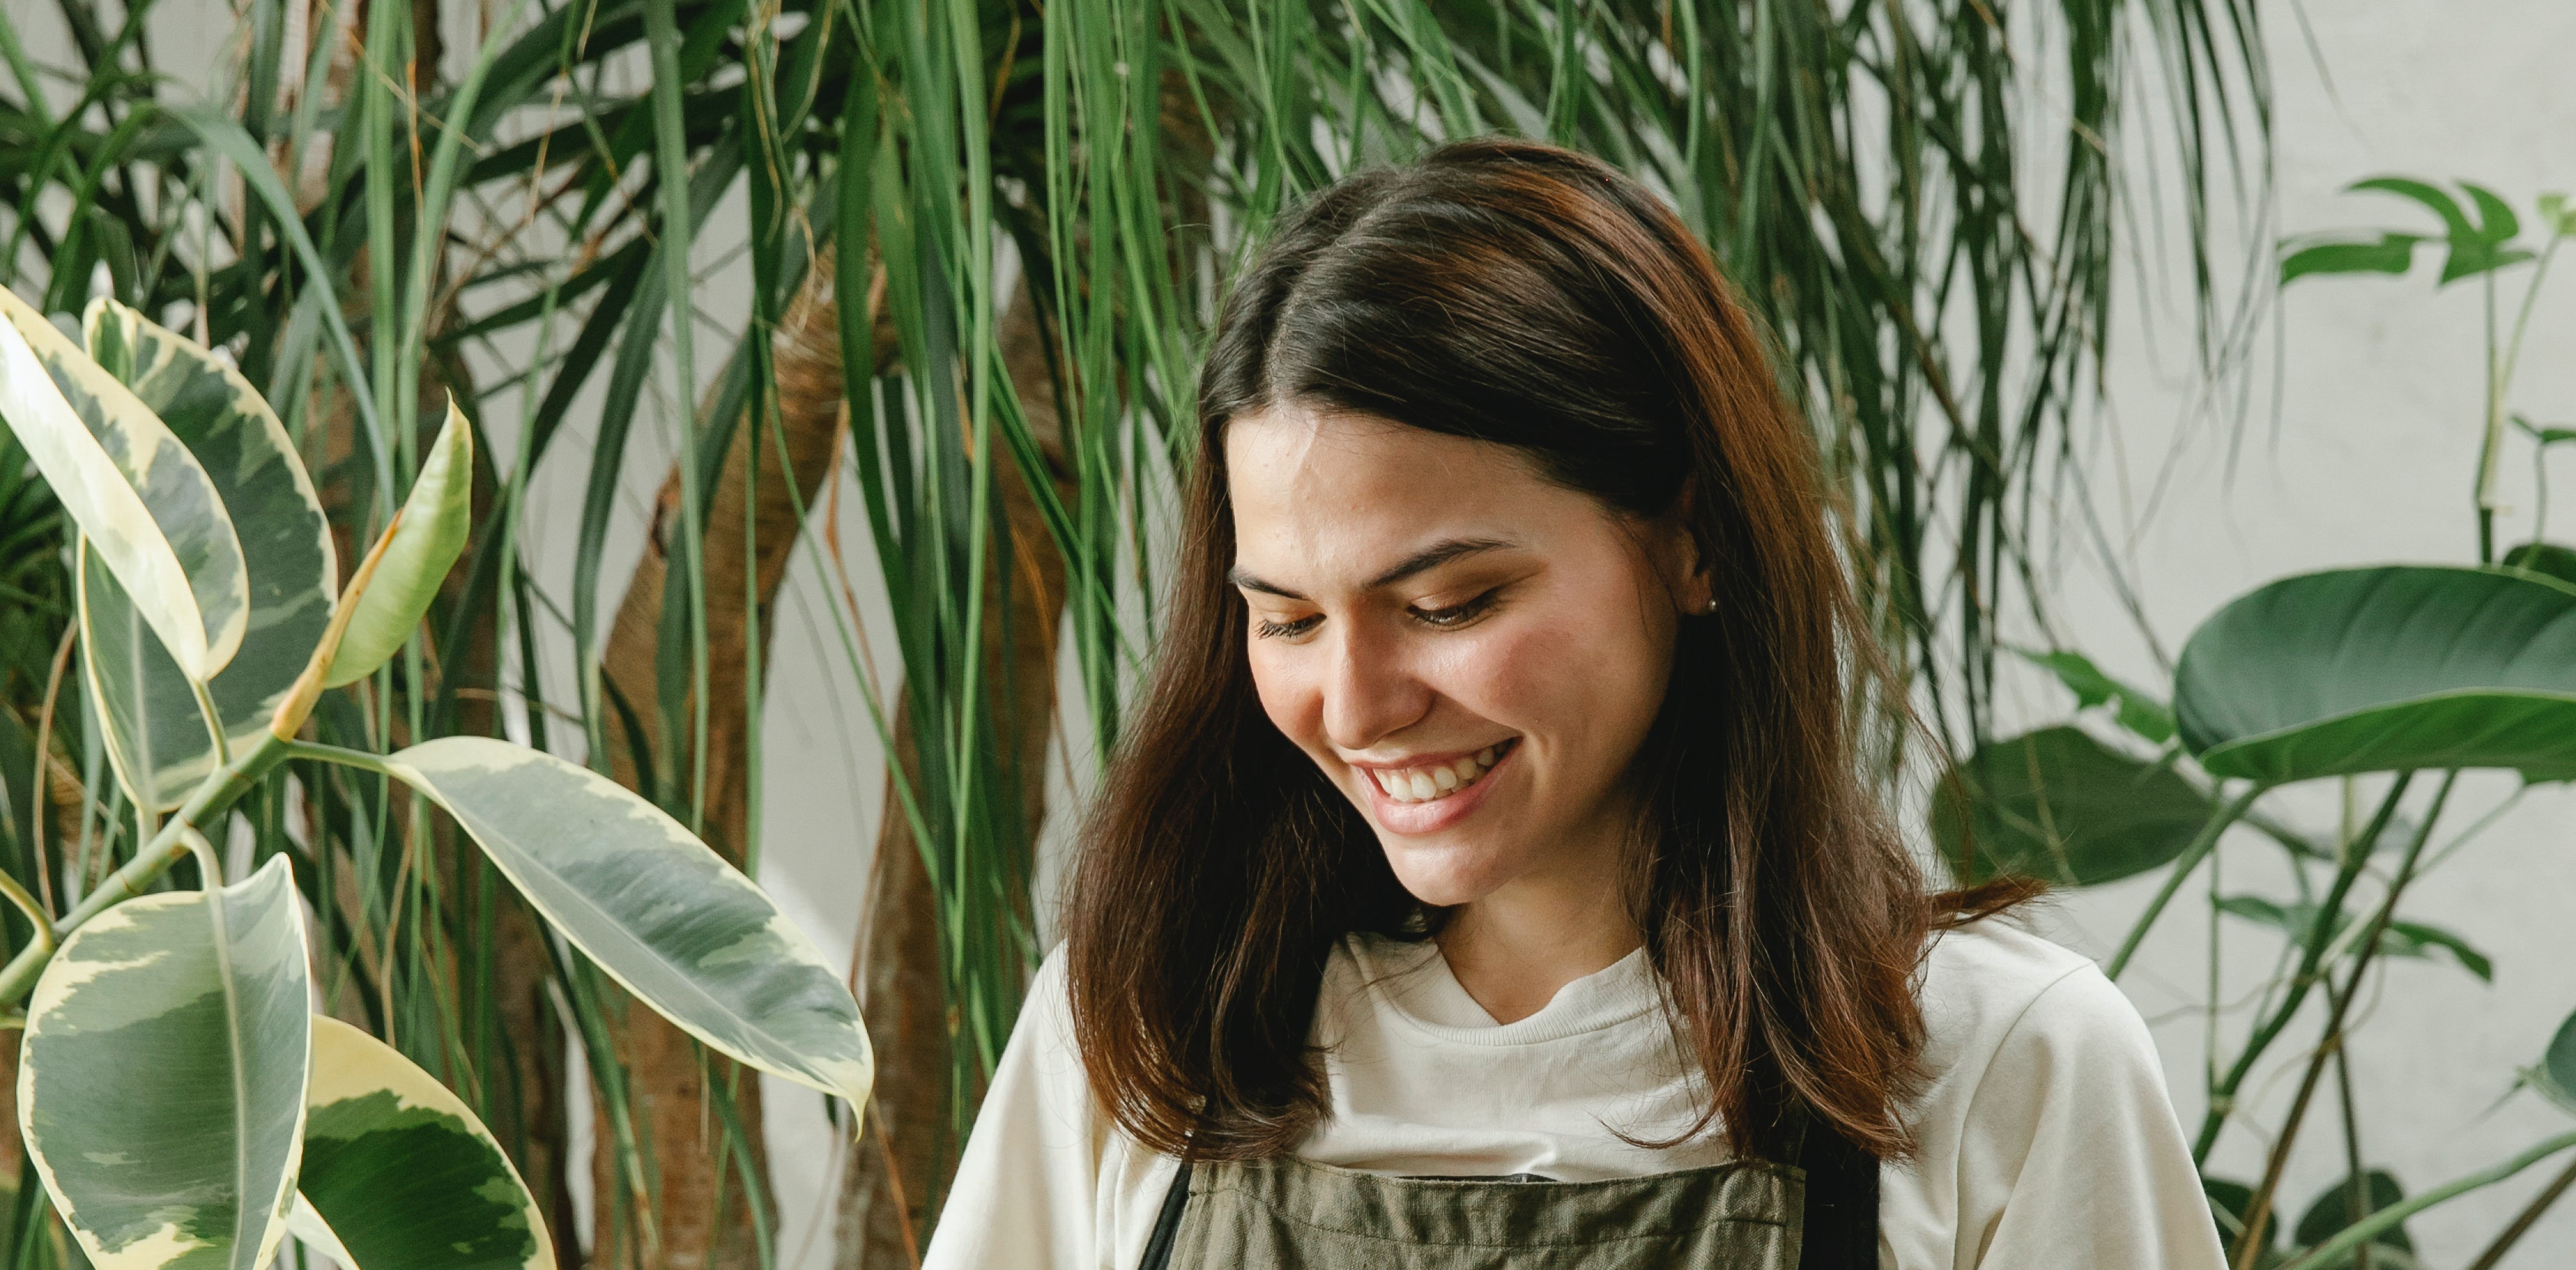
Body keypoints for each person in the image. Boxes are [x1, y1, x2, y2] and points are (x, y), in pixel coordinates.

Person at [921, 136, 2221, 1270]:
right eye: (1289, 619)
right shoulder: (1148, 1034)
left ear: (1691, 544)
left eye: (1451, 605)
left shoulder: (2003, 1065)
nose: (1358, 707)